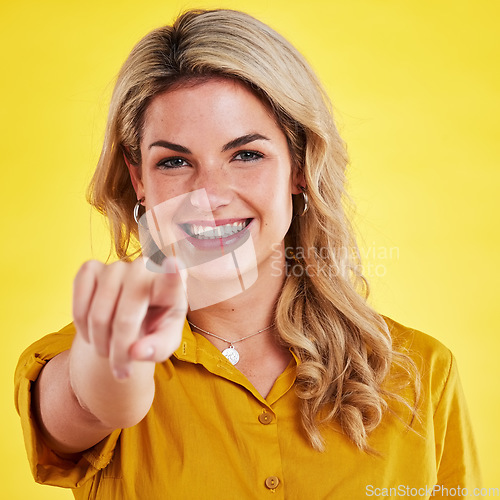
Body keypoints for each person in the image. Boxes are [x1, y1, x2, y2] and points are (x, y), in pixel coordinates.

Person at [15, 8, 480, 499]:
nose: (210, 194)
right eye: (174, 161)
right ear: (139, 181)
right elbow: (85, 405)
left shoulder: (421, 370)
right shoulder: (88, 348)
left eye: (246, 155)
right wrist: (112, 368)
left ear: (299, 167)